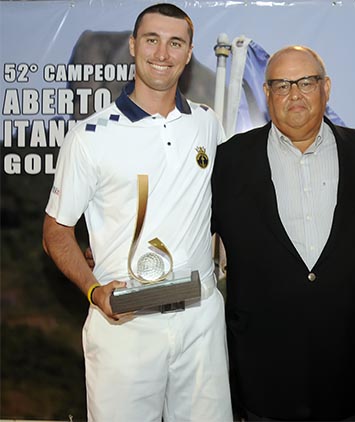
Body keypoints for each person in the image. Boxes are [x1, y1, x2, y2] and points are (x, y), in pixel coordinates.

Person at [42, 4, 232, 421]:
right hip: (123, 327)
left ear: (188, 53)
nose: (162, 53)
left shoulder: (206, 125)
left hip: (200, 325)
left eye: (175, 43)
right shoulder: (89, 136)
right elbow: (56, 231)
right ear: (133, 46)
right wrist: (95, 291)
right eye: (152, 40)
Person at [212, 45, 355, 420]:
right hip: (265, 380)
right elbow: (187, 231)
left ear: (326, 87)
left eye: (306, 82)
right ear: (266, 94)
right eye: (281, 85)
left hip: (354, 378)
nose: (294, 94)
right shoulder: (228, 161)